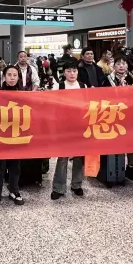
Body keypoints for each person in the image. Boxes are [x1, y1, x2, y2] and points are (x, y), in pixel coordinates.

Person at [0, 66, 25, 209]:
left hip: (17, 133)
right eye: (9, 74)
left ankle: (14, 190)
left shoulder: (24, 93)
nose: (12, 77)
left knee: (15, 165)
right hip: (1, 134)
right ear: (4, 77)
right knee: (0, 166)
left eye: (15, 75)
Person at [50, 60, 87, 200]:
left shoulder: (83, 86)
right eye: (69, 71)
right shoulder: (58, 86)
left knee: (79, 157)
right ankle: (58, 188)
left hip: (80, 125)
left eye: (74, 71)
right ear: (64, 73)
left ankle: (77, 185)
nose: (72, 74)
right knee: (63, 157)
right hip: (63, 126)